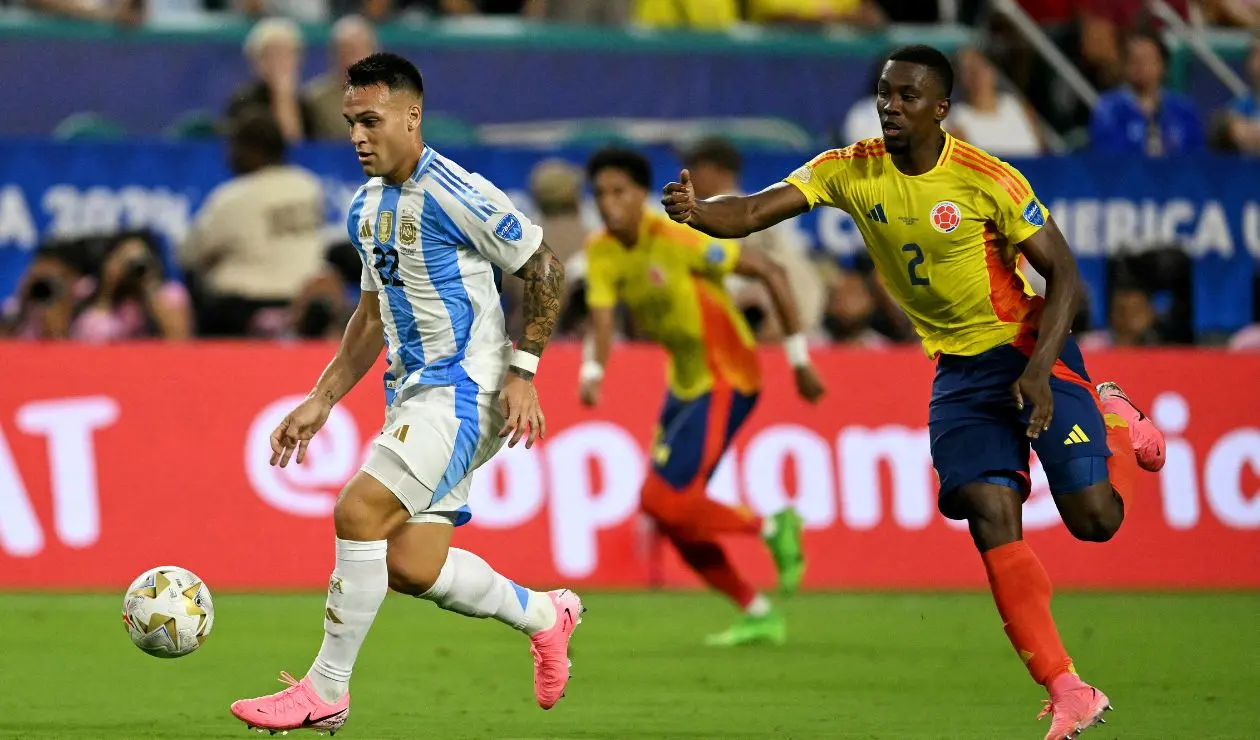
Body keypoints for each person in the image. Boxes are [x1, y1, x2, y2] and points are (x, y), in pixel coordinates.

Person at [661, 44, 1167, 740]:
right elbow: (752, 211)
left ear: (940, 108)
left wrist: (1041, 369)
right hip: (956, 373)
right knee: (990, 513)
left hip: (1026, 349)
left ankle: (1115, 417)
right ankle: (1066, 686)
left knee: (1094, 521)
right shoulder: (850, 168)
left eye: (906, 96)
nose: (889, 106)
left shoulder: (986, 178)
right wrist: (696, 213)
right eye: (883, 93)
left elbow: (1065, 277)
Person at [229, 53, 580, 735]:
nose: (358, 135)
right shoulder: (366, 206)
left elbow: (544, 268)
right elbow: (369, 316)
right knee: (412, 567)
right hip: (414, 395)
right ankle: (546, 615)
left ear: (412, 117)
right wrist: (322, 398)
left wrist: (524, 371)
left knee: (358, 512)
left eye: (371, 120)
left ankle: (324, 691)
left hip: (464, 390)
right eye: (350, 122)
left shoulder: (456, 191)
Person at [579, 146, 824, 646]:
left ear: (641, 195)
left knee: (664, 501)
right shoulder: (602, 250)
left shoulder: (677, 238)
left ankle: (773, 524)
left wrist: (799, 361)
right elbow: (602, 321)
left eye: (619, 192)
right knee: (671, 515)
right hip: (685, 384)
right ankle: (757, 611)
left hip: (727, 376)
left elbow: (769, 273)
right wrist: (592, 370)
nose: (609, 203)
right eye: (601, 193)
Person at [1089, 29, 1205, 156]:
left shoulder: (1184, 109)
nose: (1141, 67)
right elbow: (1108, 158)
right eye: (1135, 60)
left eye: (1147, 59)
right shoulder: (1108, 109)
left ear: (1162, 65)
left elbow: (1197, 159)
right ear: (1125, 65)